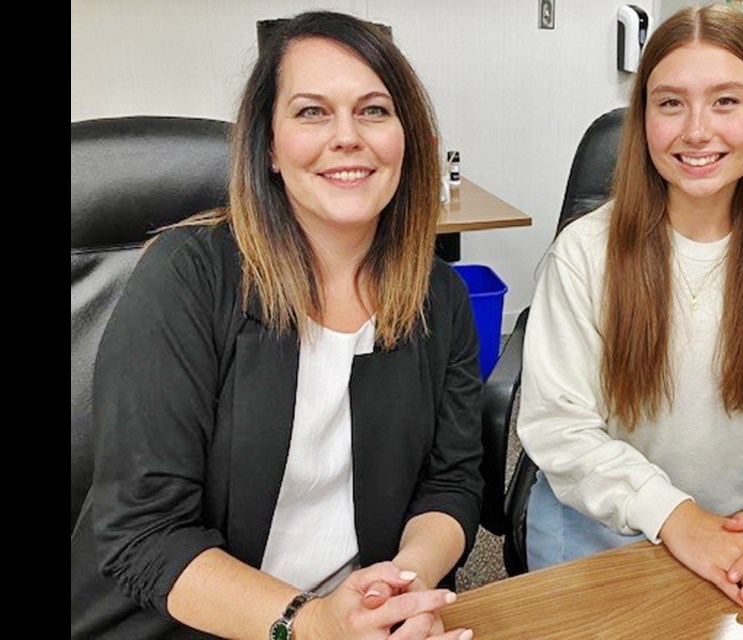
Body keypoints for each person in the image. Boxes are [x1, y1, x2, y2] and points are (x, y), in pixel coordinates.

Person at [71, 11, 482, 640]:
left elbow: (451, 483)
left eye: (374, 110)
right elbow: (144, 535)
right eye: (312, 111)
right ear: (268, 144)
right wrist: (312, 623)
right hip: (183, 621)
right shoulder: (188, 275)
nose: (347, 136)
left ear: (408, 138)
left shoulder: (439, 296)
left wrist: (401, 583)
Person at [517, 3, 743, 616]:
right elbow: (561, 428)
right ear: (643, 121)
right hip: (604, 538)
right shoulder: (582, 256)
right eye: (670, 103)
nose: (697, 131)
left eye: (727, 102)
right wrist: (674, 516)